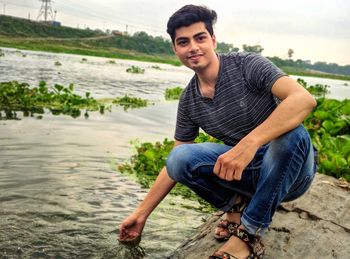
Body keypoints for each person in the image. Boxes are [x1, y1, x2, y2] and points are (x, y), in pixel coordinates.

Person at [119, 4, 317, 259]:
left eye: (200, 38)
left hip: (290, 170)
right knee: (179, 158)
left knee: (294, 135)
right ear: (175, 49)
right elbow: (175, 164)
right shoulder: (189, 100)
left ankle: (248, 234)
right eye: (183, 42)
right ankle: (236, 207)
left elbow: (304, 100)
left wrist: (250, 143)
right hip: (246, 174)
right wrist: (141, 214)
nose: (193, 47)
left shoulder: (248, 65)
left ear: (212, 39)